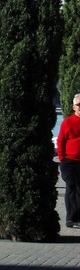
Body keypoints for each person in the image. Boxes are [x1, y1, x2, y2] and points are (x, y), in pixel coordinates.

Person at [57, 93, 80, 228]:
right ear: (73, 107)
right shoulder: (68, 122)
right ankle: (70, 217)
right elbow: (61, 141)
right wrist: (62, 159)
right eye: (78, 105)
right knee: (71, 186)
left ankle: (77, 217)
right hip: (69, 161)